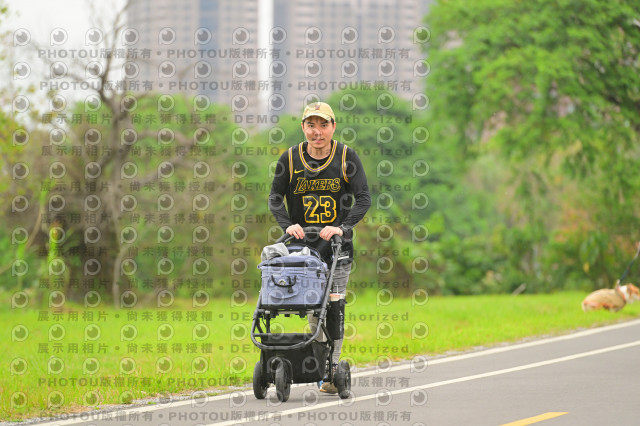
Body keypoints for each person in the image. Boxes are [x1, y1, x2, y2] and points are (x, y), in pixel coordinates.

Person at [268, 101, 371, 394]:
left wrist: (343, 227)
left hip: (338, 250)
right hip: (301, 253)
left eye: (323, 125)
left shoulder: (346, 157)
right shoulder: (290, 159)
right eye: (311, 125)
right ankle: (315, 365)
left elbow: (363, 197)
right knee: (313, 311)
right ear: (303, 127)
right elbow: (275, 197)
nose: (317, 132)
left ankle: (332, 371)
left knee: (334, 307)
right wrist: (287, 224)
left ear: (333, 127)